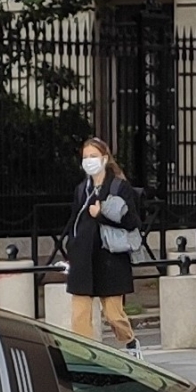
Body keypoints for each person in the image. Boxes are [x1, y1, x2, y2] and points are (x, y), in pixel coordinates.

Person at [62, 137, 145, 347]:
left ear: (105, 158)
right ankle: (85, 353)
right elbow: (74, 220)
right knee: (80, 314)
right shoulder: (82, 189)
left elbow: (132, 222)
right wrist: (70, 246)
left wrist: (102, 214)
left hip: (111, 259)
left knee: (113, 314)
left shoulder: (119, 187)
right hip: (83, 258)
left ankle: (130, 341)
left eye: (93, 156)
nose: (89, 161)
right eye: (85, 157)